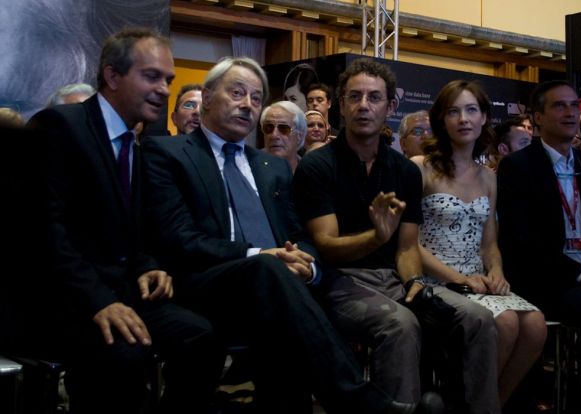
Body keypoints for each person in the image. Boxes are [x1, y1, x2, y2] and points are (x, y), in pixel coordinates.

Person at [141, 56, 442, 414]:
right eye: (237, 93)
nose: (247, 104)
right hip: (204, 282)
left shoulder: (270, 167)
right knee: (270, 272)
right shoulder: (167, 153)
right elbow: (179, 238)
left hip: (274, 285)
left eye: (256, 98)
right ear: (206, 98)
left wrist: (307, 264)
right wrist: (259, 256)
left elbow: (299, 235)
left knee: (293, 288)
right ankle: (362, 402)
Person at [28, 28, 222, 414]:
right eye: (151, 77)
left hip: (125, 293)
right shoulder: (60, 126)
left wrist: (149, 267)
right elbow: (45, 233)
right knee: (125, 358)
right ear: (112, 76)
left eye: (168, 80)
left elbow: (131, 231)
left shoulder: (139, 141)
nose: (165, 90)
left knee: (202, 338)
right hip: (67, 299)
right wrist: (98, 301)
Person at [293, 59, 494, 412]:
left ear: (391, 107)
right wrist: (375, 236)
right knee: (400, 324)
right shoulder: (318, 165)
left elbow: (405, 247)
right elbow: (326, 249)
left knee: (477, 317)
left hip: (392, 280)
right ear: (340, 104)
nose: (363, 105)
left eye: (374, 97)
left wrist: (415, 280)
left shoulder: (402, 169)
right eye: (354, 97)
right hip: (337, 283)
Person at [413, 80, 546, 407]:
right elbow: (408, 244)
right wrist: (457, 278)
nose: (463, 119)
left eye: (471, 110)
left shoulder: (488, 176)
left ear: (485, 117)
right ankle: (470, 404)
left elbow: (489, 244)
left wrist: (497, 271)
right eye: (454, 111)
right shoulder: (420, 168)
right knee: (505, 321)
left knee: (535, 324)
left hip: (479, 280)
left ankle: (488, 405)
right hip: (435, 278)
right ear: (441, 119)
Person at [497, 80, 581, 414]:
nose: (571, 113)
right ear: (537, 118)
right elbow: (522, 242)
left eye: (574, 106)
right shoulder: (518, 167)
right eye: (559, 106)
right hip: (545, 279)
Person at [261, 100, 306, 173]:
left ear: (299, 136)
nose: (274, 135)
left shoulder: (309, 173)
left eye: (284, 129)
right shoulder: (249, 169)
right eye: (269, 128)